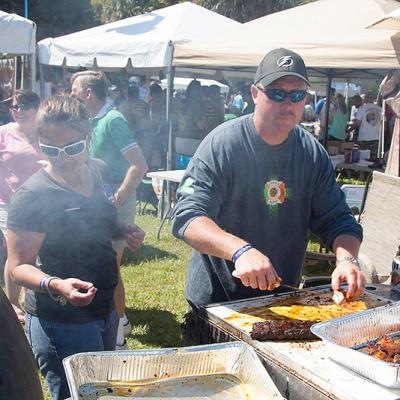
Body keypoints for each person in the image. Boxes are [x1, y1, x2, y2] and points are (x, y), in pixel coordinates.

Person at [171, 48, 365, 341]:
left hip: (281, 303)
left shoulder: (311, 154)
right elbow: (188, 217)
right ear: (254, 93)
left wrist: (347, 260)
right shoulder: (222, 145)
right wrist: (240, 251)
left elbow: (338, 219)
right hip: (217, 306)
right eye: (276, 93)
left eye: (297, 95)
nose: (287, 103)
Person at [6, 95, 145, 399]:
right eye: (51, 150)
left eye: (72, 148)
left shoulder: (99, 171)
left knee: (100, 391)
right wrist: (57, 285)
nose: (63, 158)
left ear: (87, 137)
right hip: (61, 319)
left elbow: (103, 220)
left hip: (104, 307)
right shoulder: (33, 196)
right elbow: (17, 267)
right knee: (78, 395)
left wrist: (125, 229)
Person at [70, 71, 148, 350]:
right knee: (99, 263)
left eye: (74, 90)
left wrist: (116, 198)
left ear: (88, 93)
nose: (71, 95)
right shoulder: (91, 121)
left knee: (109, 266)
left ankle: (118, 329)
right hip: (98, 200)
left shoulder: (113, 119)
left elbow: (139, 165)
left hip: (115, 200)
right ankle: (119, 320)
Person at [0, 90, 45, 323]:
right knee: (15, 250)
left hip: (42, 200)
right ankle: (13, 301)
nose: (19, 111)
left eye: (24, 106)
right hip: (9, 202)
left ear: (37, 108)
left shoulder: (45, 133)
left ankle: (34, 294)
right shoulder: (4, 133)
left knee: (35, 249)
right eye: (15, 107)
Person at [353, 92, 382, 158]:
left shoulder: (362, 108)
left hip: (363, 138)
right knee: (373, 159)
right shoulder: (380, 109)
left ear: (365, 99)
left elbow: (357, 123)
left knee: (361, 159)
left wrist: (349, 130)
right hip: (376, 138)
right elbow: (384, 123)